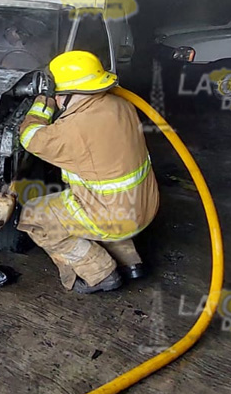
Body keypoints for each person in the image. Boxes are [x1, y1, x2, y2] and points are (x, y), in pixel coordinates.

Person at [15, 51, 159, 294]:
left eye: (60, 94)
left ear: (69, 94)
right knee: (104, 197)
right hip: (145, 204)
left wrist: (44, 101)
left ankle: (101, 274)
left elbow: (29, 138)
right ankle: (131, 262)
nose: (59, 100)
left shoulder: (73, 130)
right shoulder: (122, 105)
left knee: (34, 217)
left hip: (115, 218)